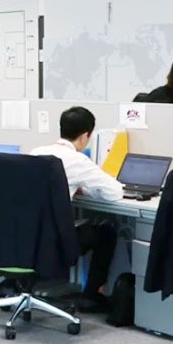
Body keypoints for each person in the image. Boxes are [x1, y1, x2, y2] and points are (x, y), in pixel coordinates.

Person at [29, 107, 123, 312]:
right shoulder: (78, 161)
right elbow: (114, 192)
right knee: (106, 233)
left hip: (26, 235)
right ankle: (91, 296)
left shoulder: (35, 152)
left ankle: (19, 284)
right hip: (53, 241)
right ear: (85, 136)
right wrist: (86, 188)